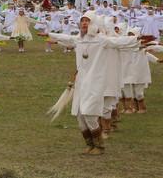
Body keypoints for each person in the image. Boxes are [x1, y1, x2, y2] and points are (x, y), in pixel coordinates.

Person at [49, 11, 145, 155]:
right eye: (82, 20)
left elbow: (119, 42)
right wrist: (51, 35)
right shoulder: (79, 39)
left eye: (88, 21)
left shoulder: (101, 40)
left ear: (93, 24)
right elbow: (67, 38)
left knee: (90, 114)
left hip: (95, 83)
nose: (84, 23)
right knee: (80, 117)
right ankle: (90, 145)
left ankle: (99, 146)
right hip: (81, 83)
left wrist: (138, 39)